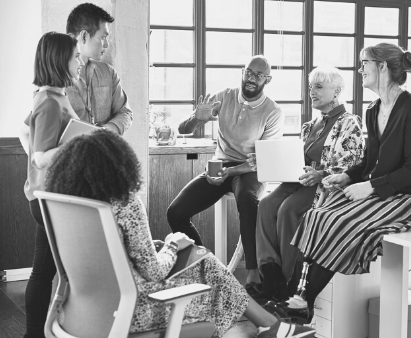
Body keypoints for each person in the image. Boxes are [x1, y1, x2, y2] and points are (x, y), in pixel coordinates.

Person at [44, 130, 315, 338]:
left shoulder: (69, 205)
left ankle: (270, 326)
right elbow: (152, 271)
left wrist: (157, 245)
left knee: (194, 255)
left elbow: (110, 253)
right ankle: (271, 326)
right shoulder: (126, 204)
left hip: (77, 310)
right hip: (133, 309)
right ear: (118, 165)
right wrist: (172, 246)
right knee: (205, 262)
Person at [268, 43, 411, 323]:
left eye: (364, 63)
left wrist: (369, 187)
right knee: (316, 215)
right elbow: (370, 162)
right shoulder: (374, 110)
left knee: (340, 221)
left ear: (382, 67)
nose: (360, 70)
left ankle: (301, 304)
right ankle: (295, 298)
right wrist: (347, 176)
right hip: (384, 194)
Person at [167, 55, 283, 294]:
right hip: (220, 164)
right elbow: (183, 129)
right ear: (243, 72)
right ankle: (204, 267)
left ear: (267, 80)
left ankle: (253, 272)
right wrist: (196, 119)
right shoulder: (223, 97)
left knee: (248, 202)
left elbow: (263, 160)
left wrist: (231, 171)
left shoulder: (272, 111)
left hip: (250, 170)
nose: (251, 78)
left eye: (258, 75)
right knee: (176, 212)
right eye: (248, 72)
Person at [252, 66, 364, 301]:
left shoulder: (349, 122)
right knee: (265, 205)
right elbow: (296, 159)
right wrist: (268, 161)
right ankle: (269, 273)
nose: (312, 91)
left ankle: (286, 281)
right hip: (299, 180)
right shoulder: (309, 125)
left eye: (319, 87)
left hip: (324, 185)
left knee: (288, 210)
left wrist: (321, 173)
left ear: (337, 91)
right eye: (311, 86)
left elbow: (353, 163)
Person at [22, 31, 83, 338]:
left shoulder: (53, 95)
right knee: (44, 271)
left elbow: (24, 132)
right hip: (47, 200)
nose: (80, 61)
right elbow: (41, 158)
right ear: (61, 60)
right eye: (75, 56)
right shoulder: (48, 101)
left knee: (47, 270)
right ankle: (34, 333)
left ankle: (40, 331)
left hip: (46, 196)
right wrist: (79, 143)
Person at [19, 2, 133, 147]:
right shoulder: (53, 85)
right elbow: (28, 132)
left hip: (104, 161)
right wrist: (43, 162)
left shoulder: (108, 72)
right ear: (84, 36)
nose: (106, 45)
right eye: (103, 37)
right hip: (71, 165)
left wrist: (106, 132)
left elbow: (125, 113)